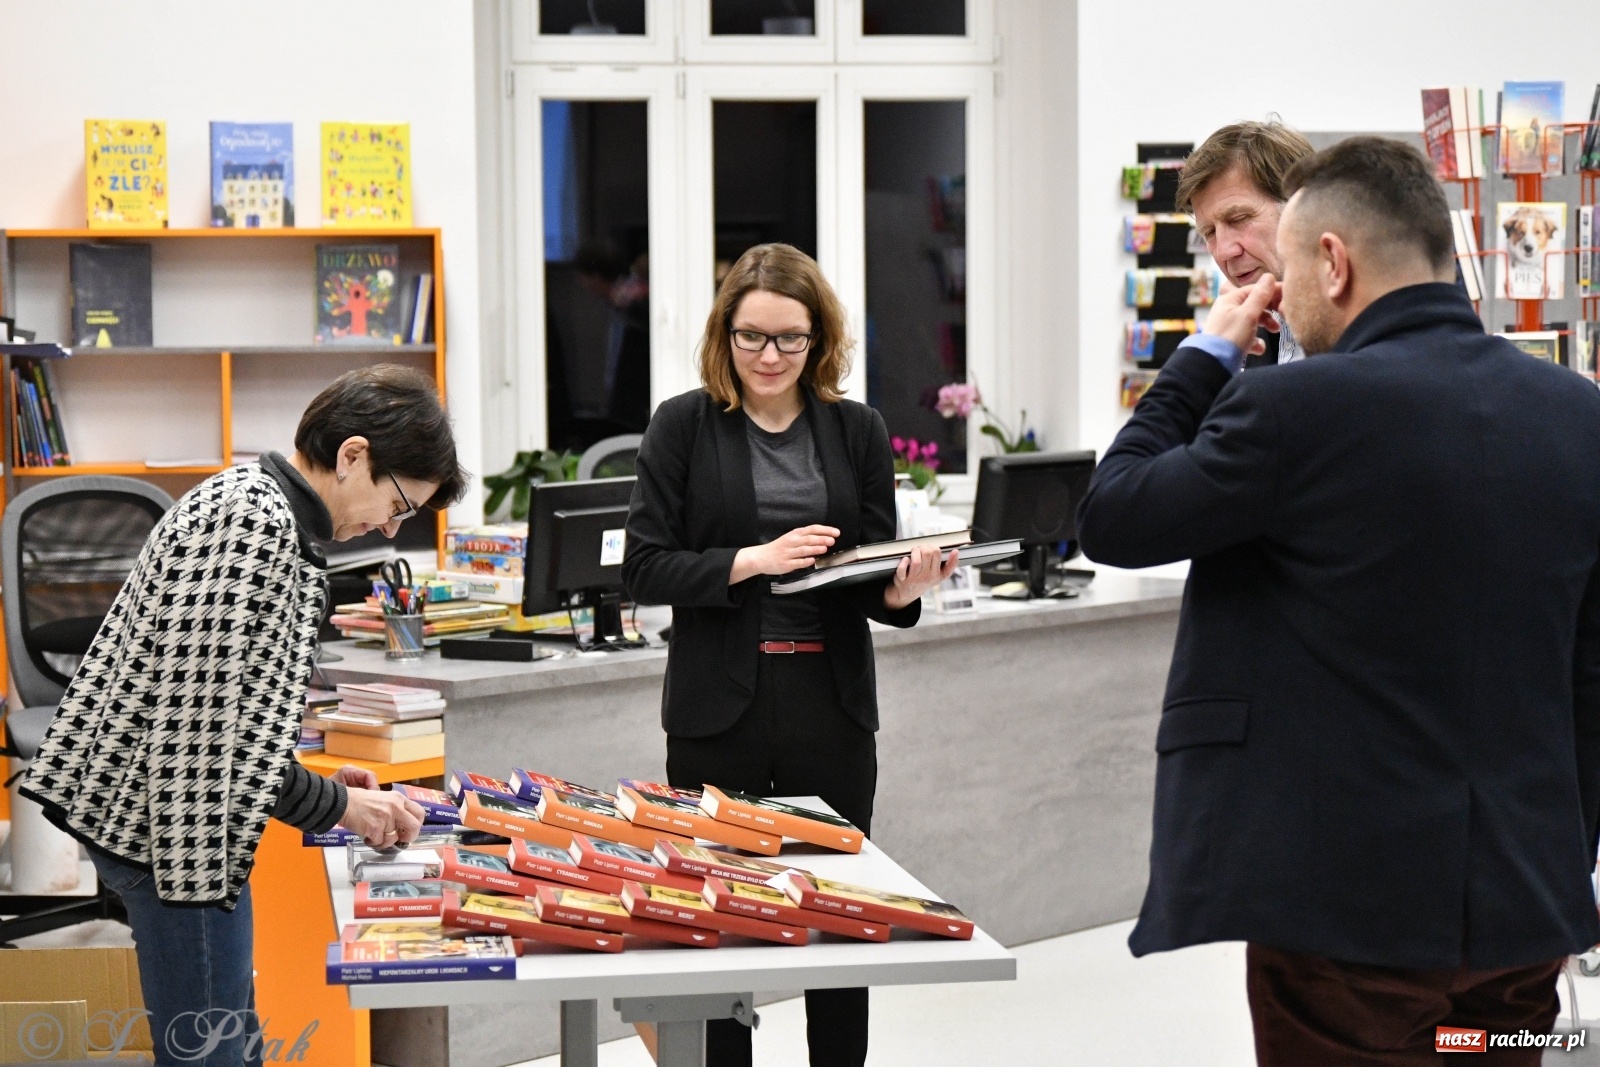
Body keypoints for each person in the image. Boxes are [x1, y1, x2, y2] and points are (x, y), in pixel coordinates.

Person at [1077, 137, 1600, 1065]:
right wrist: (1563, 853)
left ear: (1332, 261)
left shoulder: (1294, 410)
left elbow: (1114, 514)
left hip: (1346, 931)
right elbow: (1590, 673)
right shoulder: (1579, 414)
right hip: (1526, 921)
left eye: (1256, 236)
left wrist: (1203, 356)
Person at [20, 365, 470, 1067]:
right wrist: (336, 807)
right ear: (353, 455)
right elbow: (201, 745)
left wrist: (326, 789)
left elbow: (224, 717)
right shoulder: (250, 523)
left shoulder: (265, 512)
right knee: (215, 1049)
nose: (388, 524)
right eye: (399, 502)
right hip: (173, 836)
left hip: (180, 825)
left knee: (227, 1035)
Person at [622, 243, 957, 1067]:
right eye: (751, 337)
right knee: (721, 918)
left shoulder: (857, 429)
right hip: (718, 708)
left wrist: (904, 587)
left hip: (829, 704)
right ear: (723, 333)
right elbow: (642, 565)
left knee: (841, 919)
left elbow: (872, 573)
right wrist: (753, 559)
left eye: (790, 339)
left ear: (820, 338)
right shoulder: (683, 424)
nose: (769, 357)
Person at [1175, 119, 1314, 368]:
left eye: (1239, 219)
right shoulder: (1241, 337)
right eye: (1209, 233)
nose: (1224, 251)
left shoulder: (1361, 332)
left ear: (1299, 207)